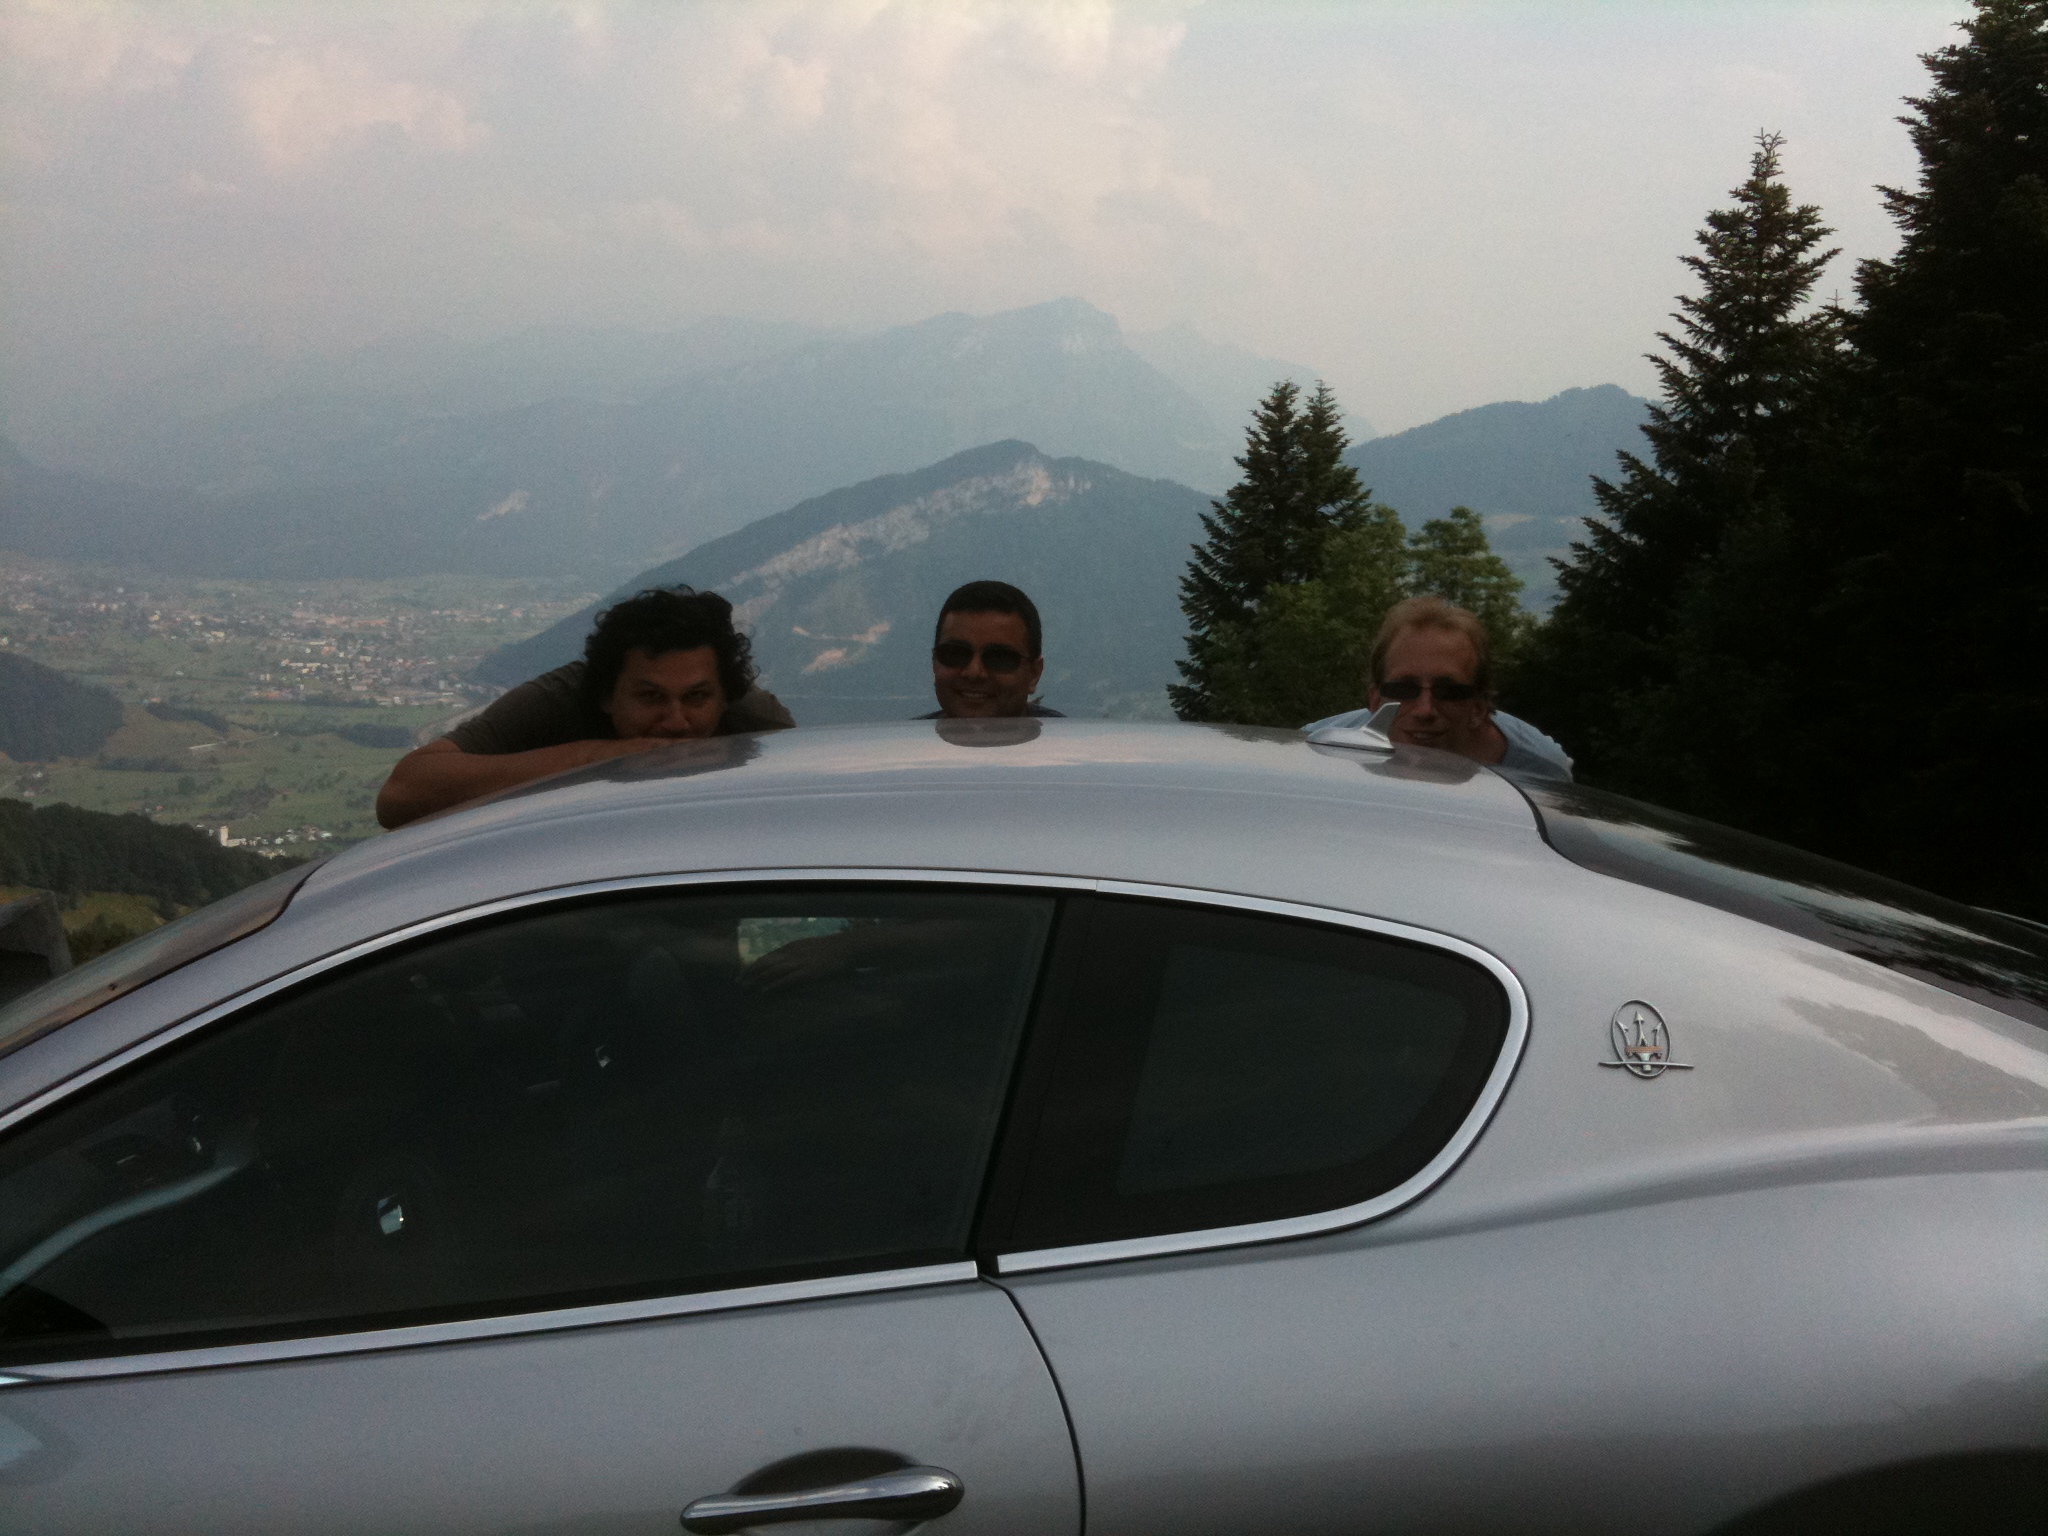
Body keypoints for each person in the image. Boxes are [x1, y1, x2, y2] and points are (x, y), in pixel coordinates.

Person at [376, 587, 793, 829]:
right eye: (650, 697)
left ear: (725, 695)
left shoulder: (758, 724)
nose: (676, 721)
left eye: (697, 698)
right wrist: (592, 760)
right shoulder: (556, 702)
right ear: (606, 695)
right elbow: (403, 794)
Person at [1304, 595, 1573, 779]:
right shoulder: (1318, 749)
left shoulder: (1538, 772)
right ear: (1375, 700)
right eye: (1403, 689)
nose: (1425, 709)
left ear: (1479, 708)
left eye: (1448, 692)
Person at [917, 580, 1065, 720]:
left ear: (1034, 673)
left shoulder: (1070, 738)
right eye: (956, 654)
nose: (974, 672)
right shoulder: (908, 737)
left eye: (999, 657)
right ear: (934, 663)